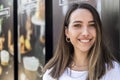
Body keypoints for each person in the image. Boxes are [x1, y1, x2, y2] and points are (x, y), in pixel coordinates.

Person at [42, 3, 120, 80]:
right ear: (67, 32)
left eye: (92, 25)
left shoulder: (112, 70)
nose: (85, 33)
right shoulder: (51, 74)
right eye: (77, 25)